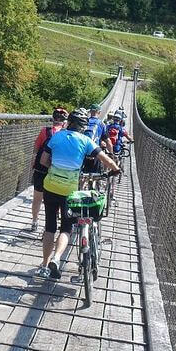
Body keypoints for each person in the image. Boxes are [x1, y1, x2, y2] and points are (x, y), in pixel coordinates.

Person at [36, 107, 119, 279]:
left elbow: (43, 161)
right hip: (69, 190)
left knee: (50, 227)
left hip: (50, 186)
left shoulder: (56, 136)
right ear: (83, 127)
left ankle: (44, 265)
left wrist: (55, 167)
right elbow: (104, 159)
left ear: (69, 122)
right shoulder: (85, 140)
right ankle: (57, 259)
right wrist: (116, 169)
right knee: (66, 228)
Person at [29, 107, 68, 232]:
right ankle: (57, 224)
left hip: (41, 170)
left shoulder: (45, 131)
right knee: (57, 199)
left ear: (53, 119)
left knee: (37, 198)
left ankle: (34, 221)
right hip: (57, 171)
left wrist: (34, 159)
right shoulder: (66, 134)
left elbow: (36, 147)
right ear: (65, 121)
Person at [83, 104, 108, 174]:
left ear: (90, 111)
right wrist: (111, 153)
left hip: (83, 151)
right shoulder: (101, 124)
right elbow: (107, 140)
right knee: (95, 174)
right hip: (94, 151)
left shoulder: (84, 121)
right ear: (99, 112)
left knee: (82, 173)